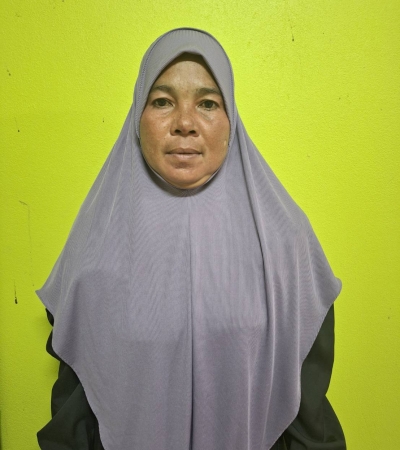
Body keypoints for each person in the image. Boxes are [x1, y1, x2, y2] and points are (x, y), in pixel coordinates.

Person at [36, 28, 346, 450]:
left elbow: (309, 420)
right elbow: (73, 426)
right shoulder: (95, 252)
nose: (185, 124)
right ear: (137, 117)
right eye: (162, 101)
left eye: (207, 103)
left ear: (231, 119)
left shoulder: (285, 247)